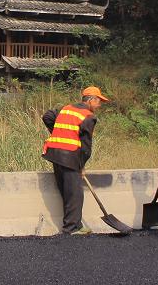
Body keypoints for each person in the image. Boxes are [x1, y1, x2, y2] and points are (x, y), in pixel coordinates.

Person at [42, 86, 109, 235]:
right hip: (69, 156)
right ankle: (71, 228)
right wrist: (81, 165)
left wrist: (59, 133)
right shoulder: (88, 116)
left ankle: (75, 225)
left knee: (66, 190)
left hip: (54, 153)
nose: (99, 105)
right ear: (91, 100)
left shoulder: (66, 108)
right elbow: (86, 146)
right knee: (75, 193)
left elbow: (47, 116)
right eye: (99, 101)